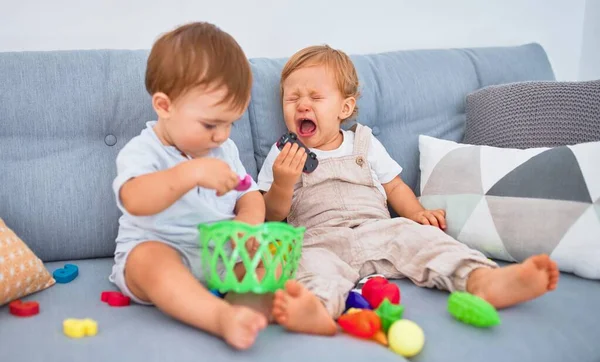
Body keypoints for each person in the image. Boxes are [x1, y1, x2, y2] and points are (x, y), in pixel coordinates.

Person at [257, 45, 560, 335]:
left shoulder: (363, 142)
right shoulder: (282, 153)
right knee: (306, 265)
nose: (302, 105)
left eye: (315, 97)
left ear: (344, 107)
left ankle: (482, 280)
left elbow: (395, 186)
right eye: (292, 98)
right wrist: (283, 183)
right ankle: (318, 310)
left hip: (378, 229)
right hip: (320, 240)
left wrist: (416, 212)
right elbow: (270, 216)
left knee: (424, 239)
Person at [109, 22, 267, 350]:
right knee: (148, 261)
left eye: (230, 123)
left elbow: (249, 193)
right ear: (165, 106)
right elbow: (135, 198)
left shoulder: (225, 149)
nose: (222, 135)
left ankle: (252, 310)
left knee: (268, 262)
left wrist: (248, 224)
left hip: (219, 255)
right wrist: (190, 173)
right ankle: (217, 317)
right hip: (162, 248)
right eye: (211, 124)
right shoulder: (144, 151)